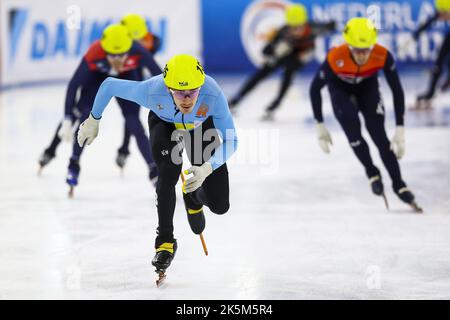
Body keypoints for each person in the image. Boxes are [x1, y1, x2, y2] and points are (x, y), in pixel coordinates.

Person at [77, 54, 238, 273]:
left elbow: (232, 140)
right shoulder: (152, 91)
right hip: (164, 125)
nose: (188, 99)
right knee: (167, 174)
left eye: (193, 92)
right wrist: (93, 119)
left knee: (220, 206)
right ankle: (165, 243)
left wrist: (208, 167)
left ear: (201, 86)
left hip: (200, 128)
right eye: (180, 93)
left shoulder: (212, 94)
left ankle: (193, 197)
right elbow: (109, 85)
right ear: (168, 88)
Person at [309, 17, 421, 211]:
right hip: (340, 90)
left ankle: (399, 184)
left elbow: (397, 90)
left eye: (366, 49)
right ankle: (371, 171)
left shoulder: (382, 55)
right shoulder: (336, 57)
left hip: (367, 87)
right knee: (352, 128)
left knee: (380, 137)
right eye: (356, 50)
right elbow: (314, 89)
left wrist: (400, 127)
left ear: (373, 45)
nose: (362, 55)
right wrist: (319, 124)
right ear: (348, 46)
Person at [58, 23, 162, 194]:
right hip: (96, 78)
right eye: (112, 56)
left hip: (125, 77)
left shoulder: (138, 51)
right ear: (104, 51)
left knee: (133, 121)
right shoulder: (94, 53)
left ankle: (153, 169)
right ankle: (74, 162)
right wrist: (68, 118)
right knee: (86, 117)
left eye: (121, 55)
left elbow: (160, 78)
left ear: (129, 49)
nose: (117, 61)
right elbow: (73, 85)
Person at [228, 3, 335, 120]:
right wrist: (275, 50)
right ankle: (236, 100)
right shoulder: (283, 32)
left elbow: (330, 26)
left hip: (298, 57)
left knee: (289, 70)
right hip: (284, 55)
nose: (295, 31)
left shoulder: (313, 28)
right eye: (292, 27)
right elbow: (266, 51)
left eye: (298, 27)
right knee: (262, 72)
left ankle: (275, 104)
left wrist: (333, 26)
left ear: (305, 23)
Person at [116, 13, 162, 169]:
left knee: (132, 113)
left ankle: (124, 148)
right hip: (124, 74)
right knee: (131, 113)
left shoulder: (149, 43)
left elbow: (155, 68)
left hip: (134, 72)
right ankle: (124, 148)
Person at [412, 0, 450, 109]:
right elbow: (430, 21)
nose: (441, 16)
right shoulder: (443, 8)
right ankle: (430, 93)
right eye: (440, 12)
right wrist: (417, 34)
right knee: (439, 61)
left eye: (444, 13)